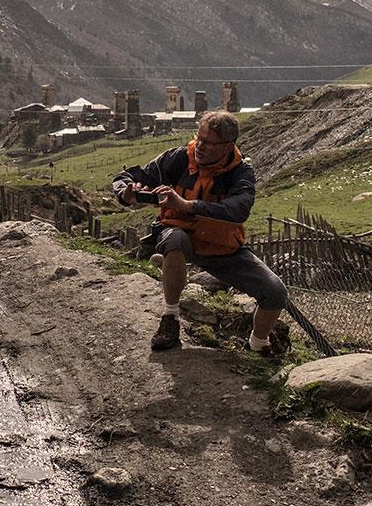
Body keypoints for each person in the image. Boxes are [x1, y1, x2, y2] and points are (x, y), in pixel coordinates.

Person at [111, 110, 288, 354]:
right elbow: (130, 176)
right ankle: (170, 319)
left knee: (275, 292)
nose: (200, 146)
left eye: (208, 143)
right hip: (180, 232)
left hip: (221, 245)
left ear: (228, 146)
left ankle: (258, 344)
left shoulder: (241, 173)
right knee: (174, 237)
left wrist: (187, 206)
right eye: (199, 138)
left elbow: (238, 209)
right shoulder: (179, 158)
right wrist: (126, 192)